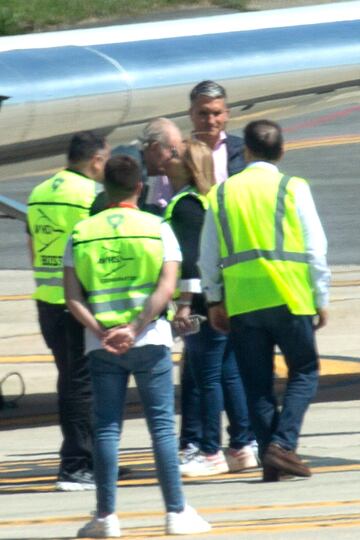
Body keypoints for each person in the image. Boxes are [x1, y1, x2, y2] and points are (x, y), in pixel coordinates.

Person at [64, 155, 210, 538]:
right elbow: (167, 286)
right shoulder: (157, 227)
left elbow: (72, 296)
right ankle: (176, 512)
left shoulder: (81, 233)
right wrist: (136, 327)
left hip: (102, 345)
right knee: (161, 428)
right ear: (139, 188)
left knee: (107, 429)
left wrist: (103, 330)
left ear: (104, 189)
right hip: (150, 339)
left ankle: (106, 516)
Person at [199, 119, 331, 482]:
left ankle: (270, 455)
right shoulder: (293, 187)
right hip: (290, 297)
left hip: (243, 301)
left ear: (248, 152)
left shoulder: (222, 193)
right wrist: (321, 296)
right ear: (282, 151)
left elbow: (207, 253)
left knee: (256, 383)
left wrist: (213, 299)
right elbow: (315, 247)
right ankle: (283, 446)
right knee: (304, 371)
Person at [164, 140, 257, 477]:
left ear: (188, 167)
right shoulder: (213, 198)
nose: (168, 159)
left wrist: (184, 306)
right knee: (229, 373)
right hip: (225, 295)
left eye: (176, 156)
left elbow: (190, 261)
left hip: (202, 301)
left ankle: (209, 450)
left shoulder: (186, 204)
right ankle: (242, 446)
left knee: (206, 379)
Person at [27, 131, 110, 491]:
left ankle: (96, 460)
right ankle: (76, 465)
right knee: (81, 386)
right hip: (78, 302)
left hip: (48, 299)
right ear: (95, 161)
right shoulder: (90, 195)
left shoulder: (39, 192)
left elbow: (33, 245)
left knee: (72, 380)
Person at [90, 117, 183, 216]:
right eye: (173, 152)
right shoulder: (128, 168)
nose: (175, 159)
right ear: (154, 147)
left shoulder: (140, 166)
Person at [189, 80, 245, 182]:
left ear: (227, 114)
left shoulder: (243, 150)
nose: (210, 121)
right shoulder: (178, 156)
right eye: (203, 113)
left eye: (216, 113)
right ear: (191, 114)